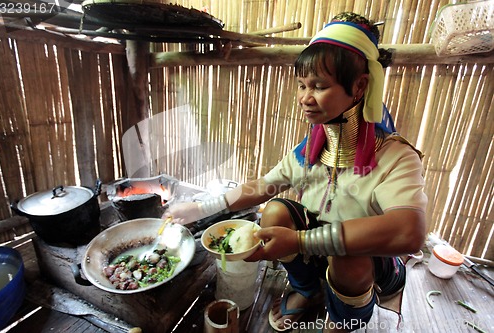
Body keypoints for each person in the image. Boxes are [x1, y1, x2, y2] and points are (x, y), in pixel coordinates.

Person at [165, 12, 427, 332]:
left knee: (348, 255)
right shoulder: (312, 149)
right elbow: (263, 186)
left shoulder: (395, 156)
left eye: (319, 86)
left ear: (360, 86)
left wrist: (300, 241)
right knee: (274, 211)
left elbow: (408, 232)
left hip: (369, 263)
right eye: (302, 85)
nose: (304, 98)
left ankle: (345, 319)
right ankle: (308, 290)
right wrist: (200, 208)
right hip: (314, 243)